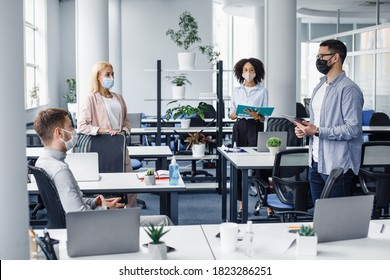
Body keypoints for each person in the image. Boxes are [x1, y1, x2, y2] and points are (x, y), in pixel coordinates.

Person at [34, 108, 172, 226]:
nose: (74, 131)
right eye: (70, 126)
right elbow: (78, 216)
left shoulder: (43, 161)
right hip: (94, 228)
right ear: (59, 133)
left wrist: (96, 202)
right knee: (164, 221)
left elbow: (69, 203)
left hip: (86, 225)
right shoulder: (60, 170)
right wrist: (106, 208)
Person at [294, 39, 364, 203]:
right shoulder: (319, 87)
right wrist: (305, 129)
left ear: (335, 57)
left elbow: (352, 129)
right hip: (316, 161)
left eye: (321, 55)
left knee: (336, 218)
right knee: (319, 216)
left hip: (337, 165)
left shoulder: (348, 89)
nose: (318, 60)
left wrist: (317, 130)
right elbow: (317, 122)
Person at [78, 61, 136, 208]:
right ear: (98, 77)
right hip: (103, 150)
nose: (111, 77)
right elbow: (82, 126)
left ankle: (130, 219)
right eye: (107, 74)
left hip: (120, 147)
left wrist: (123, 131)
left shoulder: (118, 97)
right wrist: (103, 130)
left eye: (112, 74)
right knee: (109, 190)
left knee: (130, 189)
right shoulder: (90, 98)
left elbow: (126, 122)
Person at [229, 57, 269, 219]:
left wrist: (256, 115)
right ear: (240, 72)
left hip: (255, 127)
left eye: (251, 70)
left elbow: (264, 117)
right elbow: (231, 114)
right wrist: (237, 113)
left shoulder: (263, 91)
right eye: (245, 70)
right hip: (239, 126)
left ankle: (266, 204)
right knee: (239, 166)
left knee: (260, 167)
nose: (248, 73)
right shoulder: (236, 91)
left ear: (257, 72)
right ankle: (240, 205)